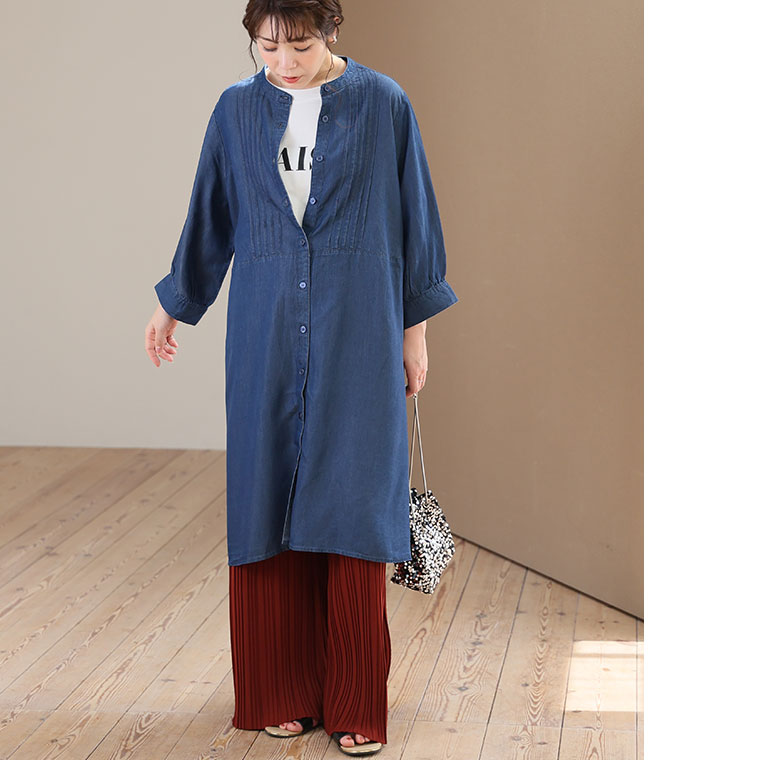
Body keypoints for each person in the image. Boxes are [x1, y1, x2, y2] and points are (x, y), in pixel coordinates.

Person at [144, 1, 459, 755]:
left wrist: (414, 334)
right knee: (266, 494)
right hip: (266, 331)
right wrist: (174, 306)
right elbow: (211, 214)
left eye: (301, 46)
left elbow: (415, 218)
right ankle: (278, 690)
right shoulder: (235, 111)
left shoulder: (383, 104)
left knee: (354, 498)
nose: (284, 63)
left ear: (331, 33)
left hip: (361, 329)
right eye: (268, 48)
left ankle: (355, 703)